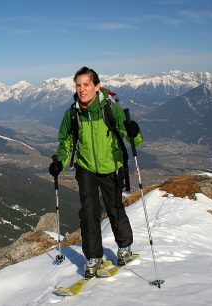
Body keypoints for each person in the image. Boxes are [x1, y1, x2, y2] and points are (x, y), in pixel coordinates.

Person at [49, 67, 143, 277]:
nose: (81, 89)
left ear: (97, 86)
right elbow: (66, 142)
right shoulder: (72, 113)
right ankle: (93, 257)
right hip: (86, 169)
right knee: (88, 213)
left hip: (112, 166)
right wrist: (60, 163)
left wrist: (134, 133)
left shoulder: (110, 109)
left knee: (115, 208)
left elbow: (132, 137)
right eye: (78, 85)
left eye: (86, 84)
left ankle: (125, 246)